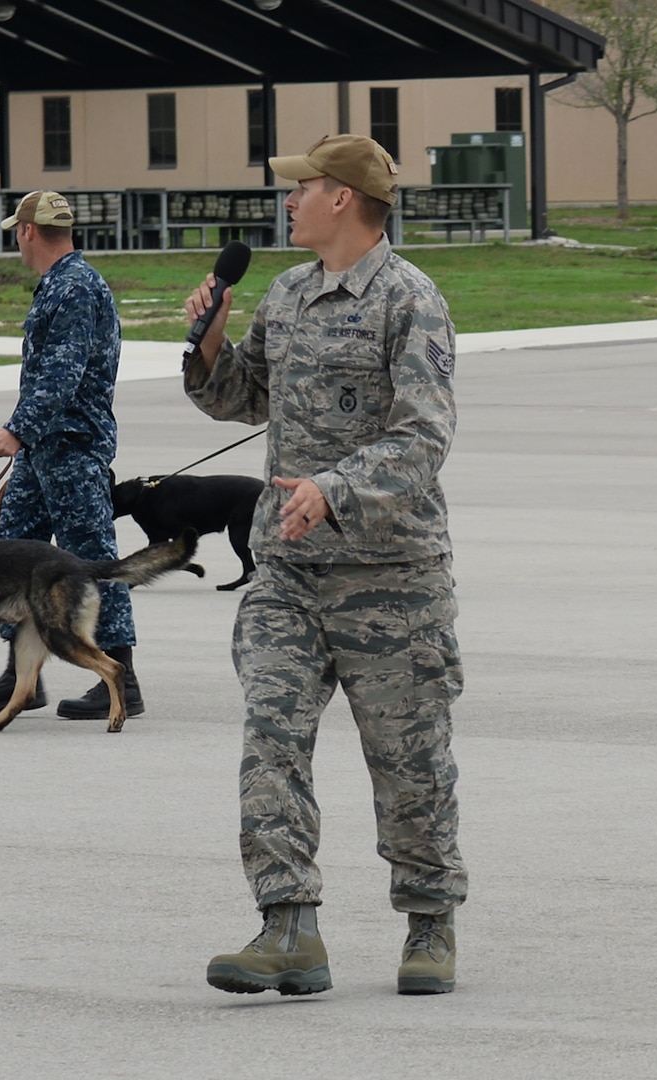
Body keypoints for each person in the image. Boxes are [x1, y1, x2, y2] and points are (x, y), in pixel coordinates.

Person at [184, 135, 467, 997]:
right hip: (289, 571)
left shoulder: (410, 300)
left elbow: (424, 437)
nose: (288, 201)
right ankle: (288, 926)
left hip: (392, 579)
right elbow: (240, 399)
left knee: (409, 761)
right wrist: (208, 347)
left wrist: (336, 489)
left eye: (301, 188)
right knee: (271, 739)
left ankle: (428, 920)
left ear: (342, 197)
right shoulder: (288, 293)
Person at [0, 190, 144, 720]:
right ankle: (22, 676)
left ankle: (121, 677)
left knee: (90, 558)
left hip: (71, 446)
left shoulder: (75, 288)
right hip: (46, 446)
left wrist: (17, 429)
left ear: (26, 231)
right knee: (13, 553)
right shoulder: (61, 285)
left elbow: (62, 374)